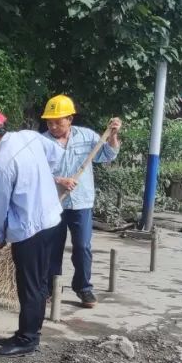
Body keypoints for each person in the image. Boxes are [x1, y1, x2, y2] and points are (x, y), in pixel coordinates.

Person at [0, 105, 64, 357]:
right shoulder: (29, 136)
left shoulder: (1, 164)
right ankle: (27, 332)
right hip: (52, 221)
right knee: (39, 283)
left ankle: (28, 339)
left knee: (29, 286)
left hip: (30, 231)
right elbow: (56, 155)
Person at [40, 94, 122, 308]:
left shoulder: (87, 136)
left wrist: (113, 135)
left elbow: (108, 155)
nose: (53, 126)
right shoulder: (42, 142)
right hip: (54, 203)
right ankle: (50, 288)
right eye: (49, 122)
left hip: (81, 202)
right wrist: (59, 180)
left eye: (58, 122)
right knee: (52, 248)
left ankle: (83, 288)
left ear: (70, 119)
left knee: (83, 246)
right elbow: (36, 172)